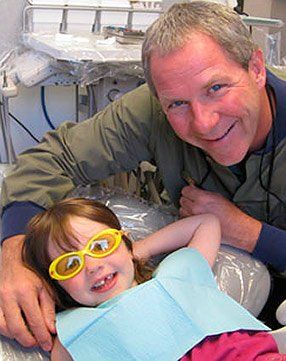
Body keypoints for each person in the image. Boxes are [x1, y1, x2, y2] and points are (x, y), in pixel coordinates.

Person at [0, 0, 286, 351]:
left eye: (216, 88)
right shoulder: (152, 110)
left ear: (256, 68)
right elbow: (52, 160)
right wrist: (15, 252)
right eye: (177, 104)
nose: (204, 122)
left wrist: (253, 235)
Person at [22, 197, 285, 361]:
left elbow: (206, 223)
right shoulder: (74, 329)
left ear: (124, 241)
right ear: (56, 283)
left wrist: (136, 252)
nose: (92, 266)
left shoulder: (174, 275)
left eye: (102, 246)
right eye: (69, 265)